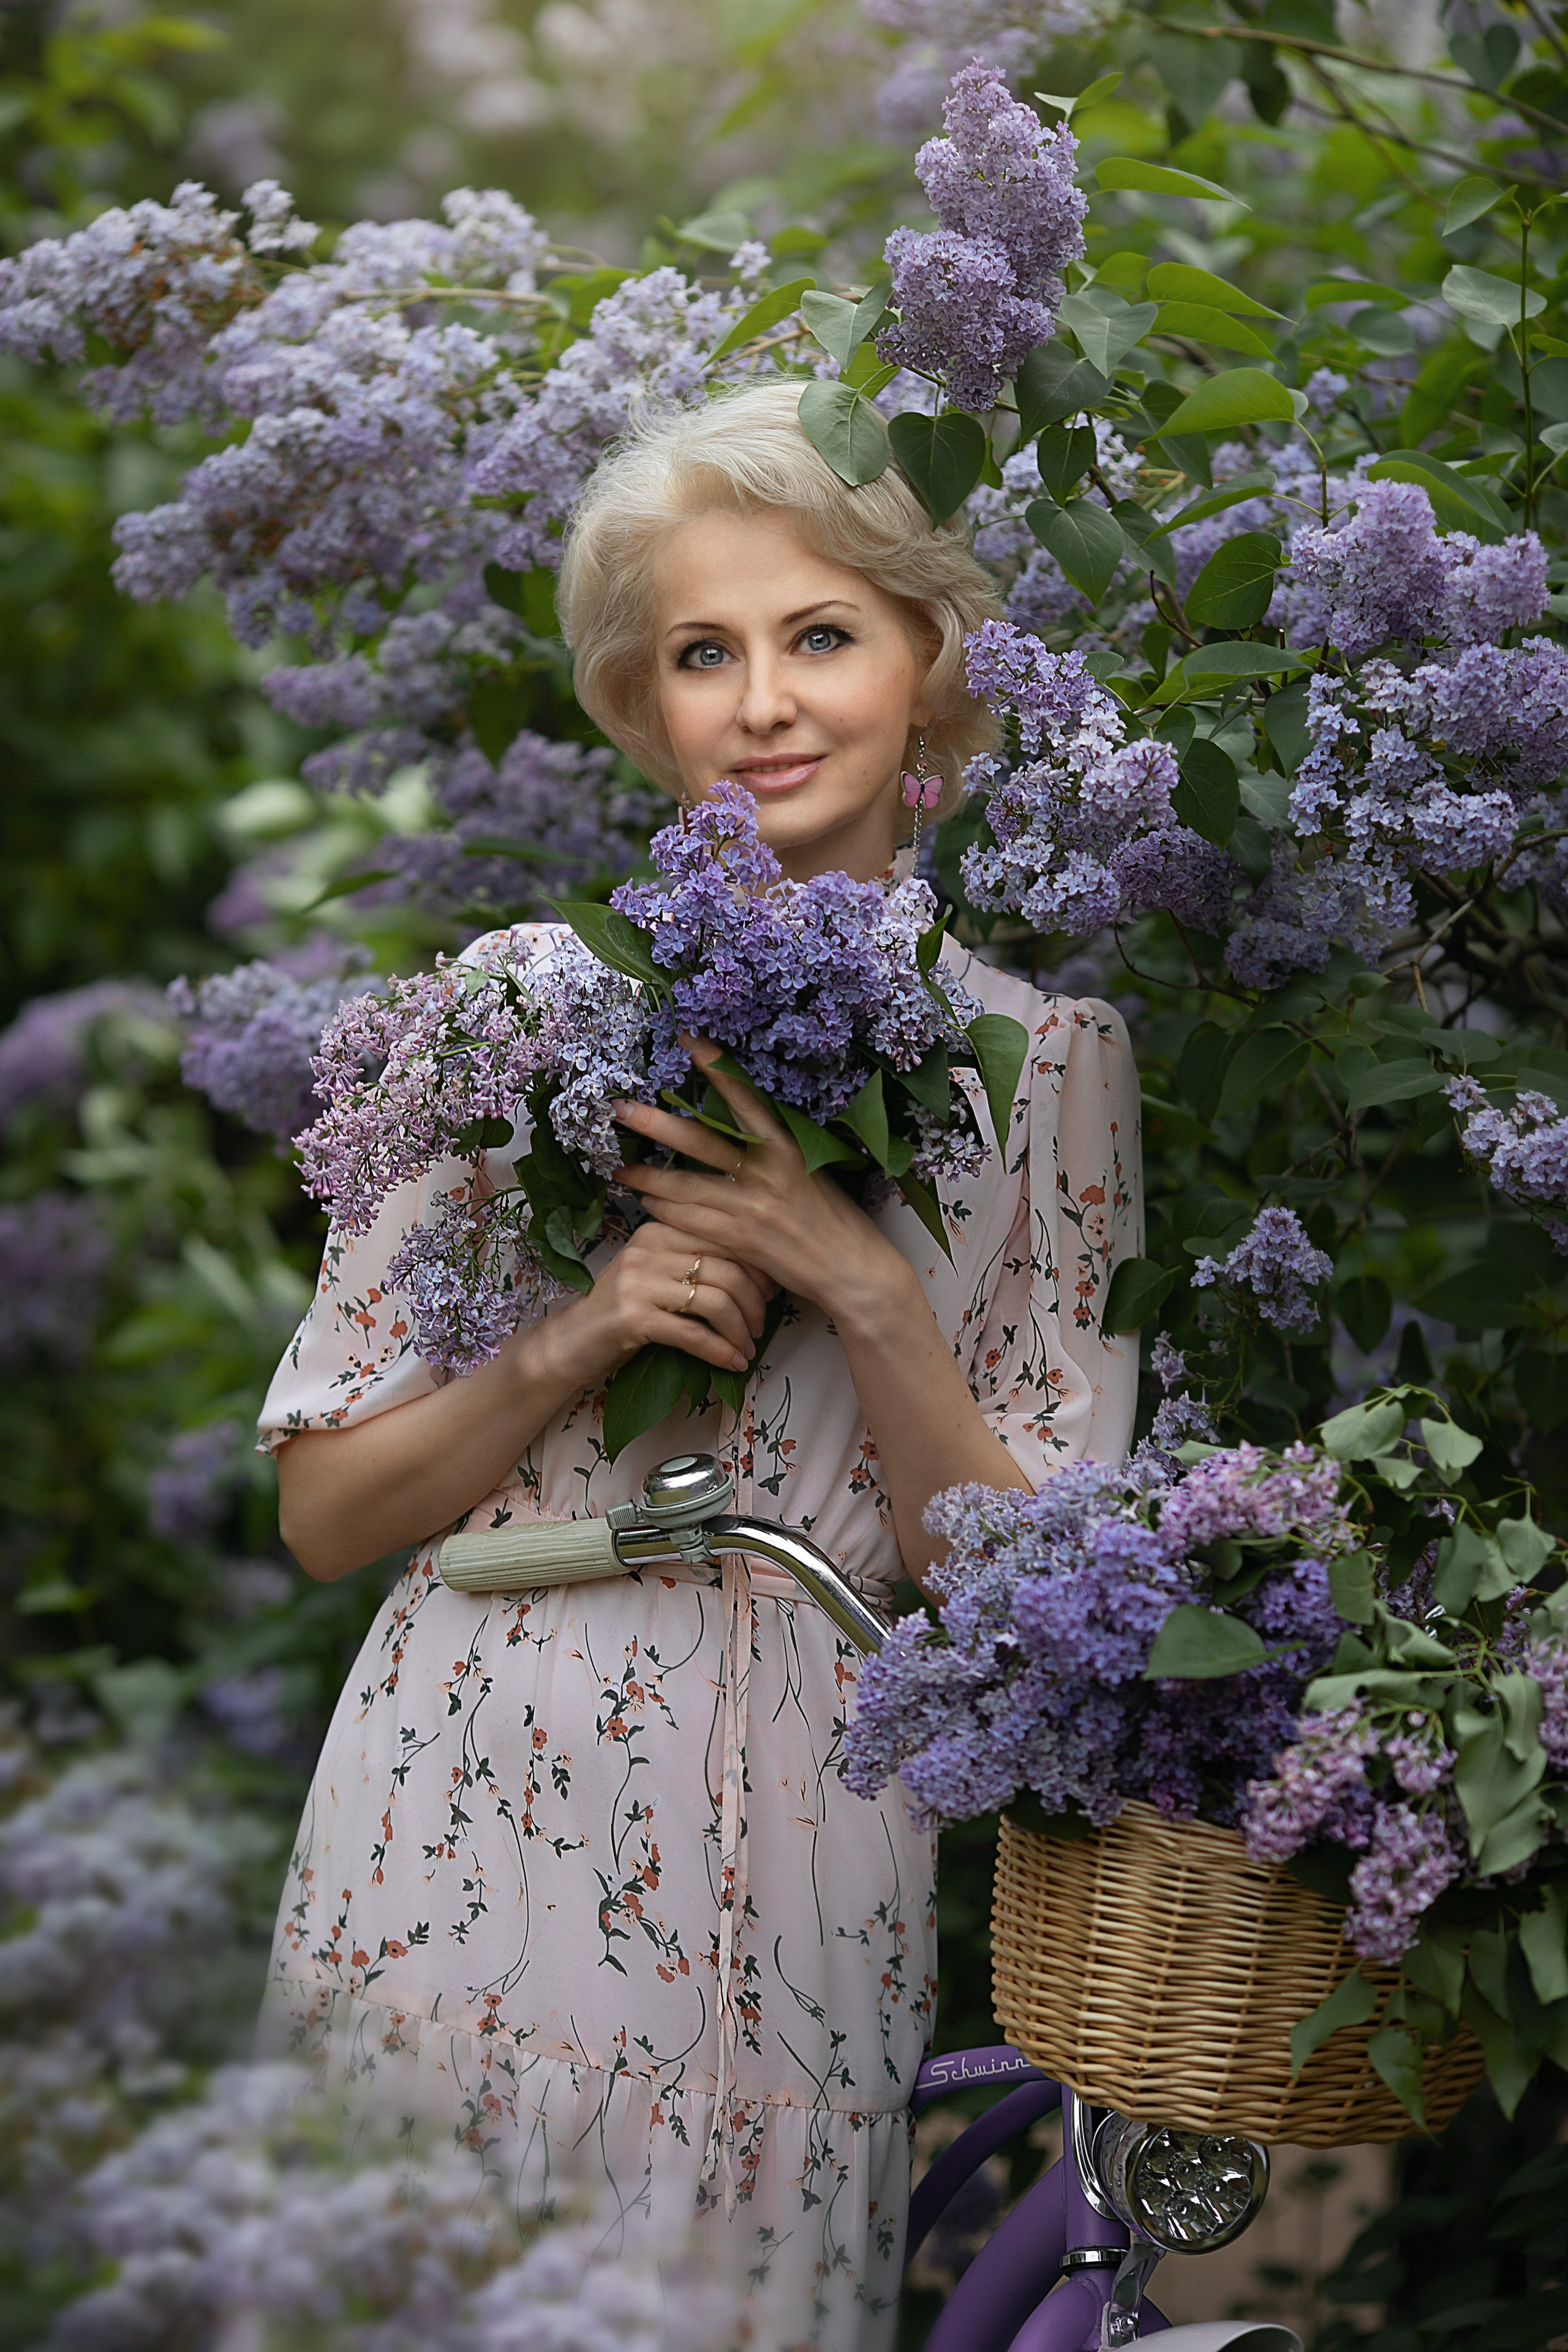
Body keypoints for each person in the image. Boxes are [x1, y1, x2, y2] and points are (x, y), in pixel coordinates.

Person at [258, 379, 1142, 2348]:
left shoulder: (1054, 1071)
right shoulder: (508, 1011)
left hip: (810, 1849)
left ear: (930, 667)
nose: (765, 700)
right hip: (463, 1792)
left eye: (822, 633)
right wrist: (582, 1330)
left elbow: (1024, 1609)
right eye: (702, 654)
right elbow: (326, 1512)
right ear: (642, 710)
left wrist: (869, 1285)